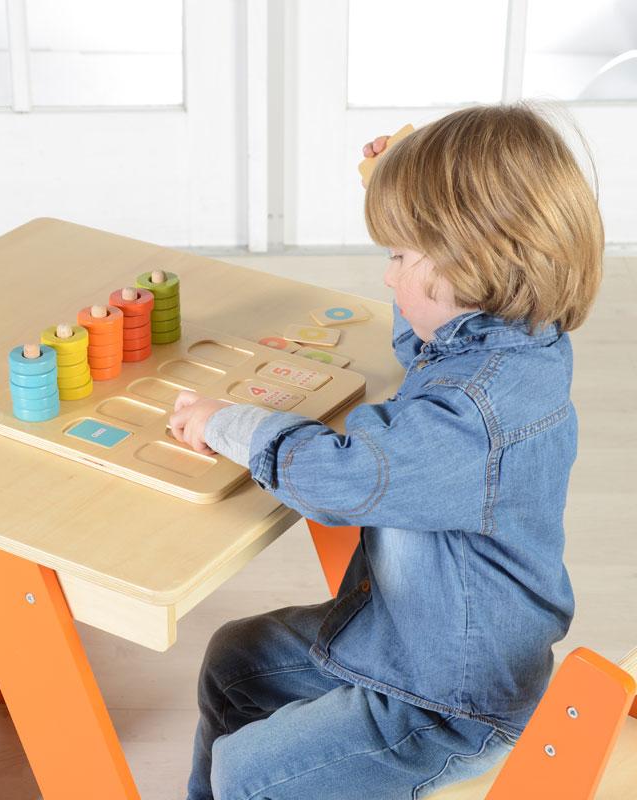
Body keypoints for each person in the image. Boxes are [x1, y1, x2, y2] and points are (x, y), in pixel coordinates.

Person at [170, 101, 604, 800]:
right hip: (407, 642)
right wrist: (397, 190)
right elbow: (429, 332)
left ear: (472, 263)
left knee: (247, 774)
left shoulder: (469, 416)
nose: (387, 277)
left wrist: (230, 424)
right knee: (236, 663)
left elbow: (339, 476)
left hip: (449, 704)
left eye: (399, 256)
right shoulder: (510, 341)